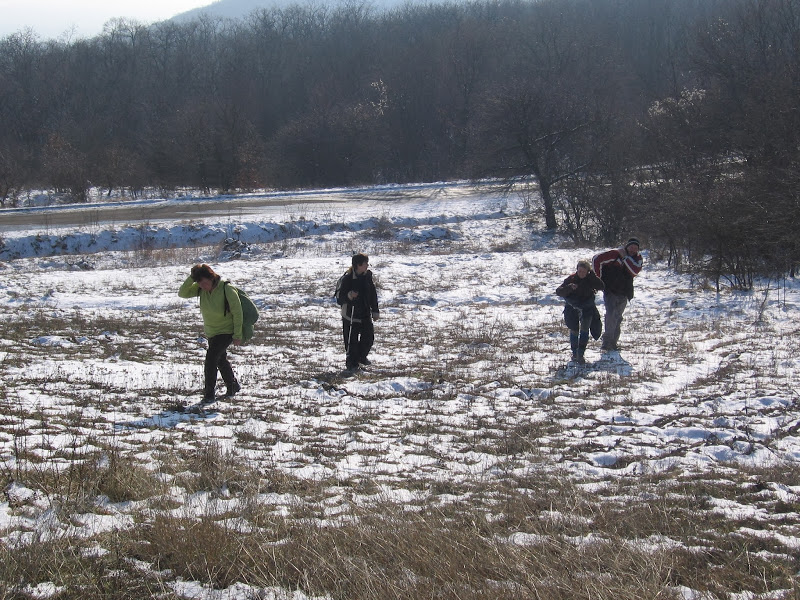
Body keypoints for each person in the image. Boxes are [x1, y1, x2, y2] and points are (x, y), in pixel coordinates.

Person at [178, 264, 243, 402]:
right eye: (200, 284)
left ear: (212, 278)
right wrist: (193, 277)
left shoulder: (227, 289)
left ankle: (209, 394)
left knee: (211, 359)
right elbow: (182, 293)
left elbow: (238, 312)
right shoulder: (200, 289)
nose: (203, 286)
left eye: (205, 283)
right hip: (211, 331)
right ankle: (233, 385)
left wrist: (237, 334)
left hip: (226, 331)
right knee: (220, 359)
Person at [592, 238, 643, 351]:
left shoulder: (638, 259)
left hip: (625, 292)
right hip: (611, 290)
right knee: (611, 315)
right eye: (631, 247)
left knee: (617, 317)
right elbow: (596, 259)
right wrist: (598, 280)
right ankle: (607, 343)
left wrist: (625, 257)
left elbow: (634, 271)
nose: (633, 250)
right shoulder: (615, 254)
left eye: (636, 248)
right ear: (627, 246)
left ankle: (613, 343)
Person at [337, 253, 379, 372]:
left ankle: (361, 357)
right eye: (365, 263)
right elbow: (340, 299)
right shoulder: (347, 279)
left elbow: (372, 295)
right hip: (350, 314)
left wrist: (375, 310)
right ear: (358, 265)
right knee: (351, 342)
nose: (367, 265)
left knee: (369, 338)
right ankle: (352, 363)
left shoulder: (367, 277)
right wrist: (349, 296)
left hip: (365, 313)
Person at [556, 259, 605, 363]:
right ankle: (574, 353)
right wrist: (569, 288)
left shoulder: (591, 279)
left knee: (584, 330)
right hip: (572, 308)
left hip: (587, 308)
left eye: (583, 271)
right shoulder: (571, 279)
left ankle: (581, 354)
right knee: (574, 330)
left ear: (588, 271)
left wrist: (592, 276)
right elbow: (559, 291)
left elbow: (601, 286)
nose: (581, 273)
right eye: (579, 271)